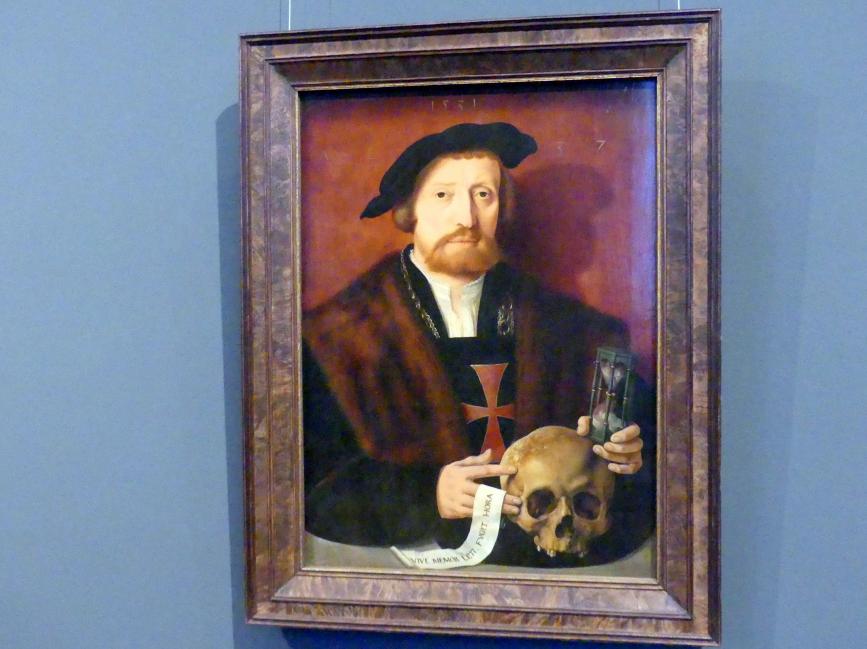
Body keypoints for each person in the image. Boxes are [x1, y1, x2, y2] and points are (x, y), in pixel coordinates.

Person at [302, 122, 654, 567]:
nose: (466, 218)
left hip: (546, 560)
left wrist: (628, 456)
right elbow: (312, 483)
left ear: (501, 209)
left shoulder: (577, 332)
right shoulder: (338, 336)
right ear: (409, 210)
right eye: (443, 195)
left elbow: (643, 461)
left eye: (483, 195)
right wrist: (429, 494)